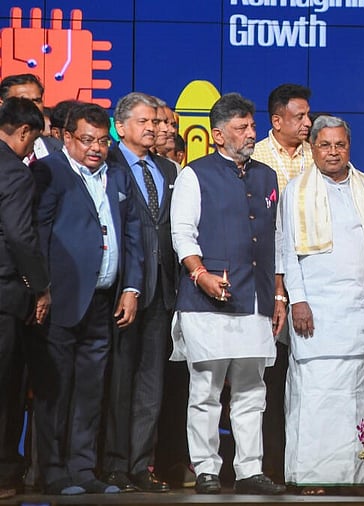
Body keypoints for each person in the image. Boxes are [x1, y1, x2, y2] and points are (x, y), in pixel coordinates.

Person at [169, 93, 286, 495]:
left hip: (255, 298)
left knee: (253, 390)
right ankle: (206, 469)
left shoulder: (267, 176)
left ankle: (250, 469)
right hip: (207, 301)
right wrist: (198, 273)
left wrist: (279, 295)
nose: (251, 134)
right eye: (241, 128)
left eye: (251, 126)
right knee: (205, 389)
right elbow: (182, 232)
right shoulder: (195, 174)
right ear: (218, 135)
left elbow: (277, 239)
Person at [31, 103, 144, 495]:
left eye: (102, 140)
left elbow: (132, 233)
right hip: (61, 299)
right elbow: (38, 232)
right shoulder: (50, 172)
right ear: (66, 137)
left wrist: (131, 287)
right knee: (56, 390)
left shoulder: (116, 173)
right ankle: (53, 470)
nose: (96, 148)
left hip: (103, 300)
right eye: (87, 140)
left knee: (91, 390)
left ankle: (83, 469)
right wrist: (41, 288)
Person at [280, 115, 364, 493]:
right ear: (312, 148)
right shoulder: (295, 191)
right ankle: (314, 477)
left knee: (363, 397)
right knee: (319, 398)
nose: (333, 152)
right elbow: (286, 254)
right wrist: (298, 300)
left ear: (349, 146)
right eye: (325, 145)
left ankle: (363, 476)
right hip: (318, 312)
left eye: (339, 145)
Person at [100, 92, 178, 493]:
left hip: (163, 290)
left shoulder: (168, 168)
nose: (154, 128)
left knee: (152, 385)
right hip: (121, 289)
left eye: (157, 122)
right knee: (119, 383)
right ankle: (113, 464)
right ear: (121, 125)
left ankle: (140, 465)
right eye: (145, 122)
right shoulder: (106, 164)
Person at [251, 83, 315, 484]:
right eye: (300, 116)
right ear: (277, 120)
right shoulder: (256, 158)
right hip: (265, 280)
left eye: (309, 115)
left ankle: (304, 463)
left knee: (305, 378)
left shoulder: (318, 156)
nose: (308, 123)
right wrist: (277, 287)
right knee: (267, 382)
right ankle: (268, 465)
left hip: (310, 280)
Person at [0, 97, 51, 500]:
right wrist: (40, 284)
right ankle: (4, 473)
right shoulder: (15, 173)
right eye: (32, 141)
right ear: (22, 132)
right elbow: (19, 235)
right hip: (5, 295)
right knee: (7, 387)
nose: (31, 150)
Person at [0, 74, 62, 161]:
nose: (32, 106)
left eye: (37, 101)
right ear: (2, 104)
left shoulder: (59, 149)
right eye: (23, 101)